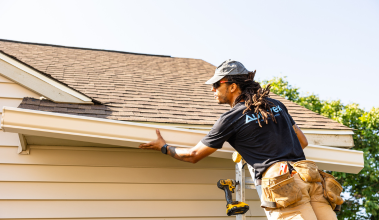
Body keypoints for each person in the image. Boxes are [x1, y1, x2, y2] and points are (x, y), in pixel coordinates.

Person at [139, 59, 339, 220]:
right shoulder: (275, 104)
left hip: (283, 184)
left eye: (217, 84)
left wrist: (163, 147)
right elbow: (302, 142)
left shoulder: (232, 118)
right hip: (310, 178)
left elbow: (193, 155)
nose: (212, 90)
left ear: (233, 86)